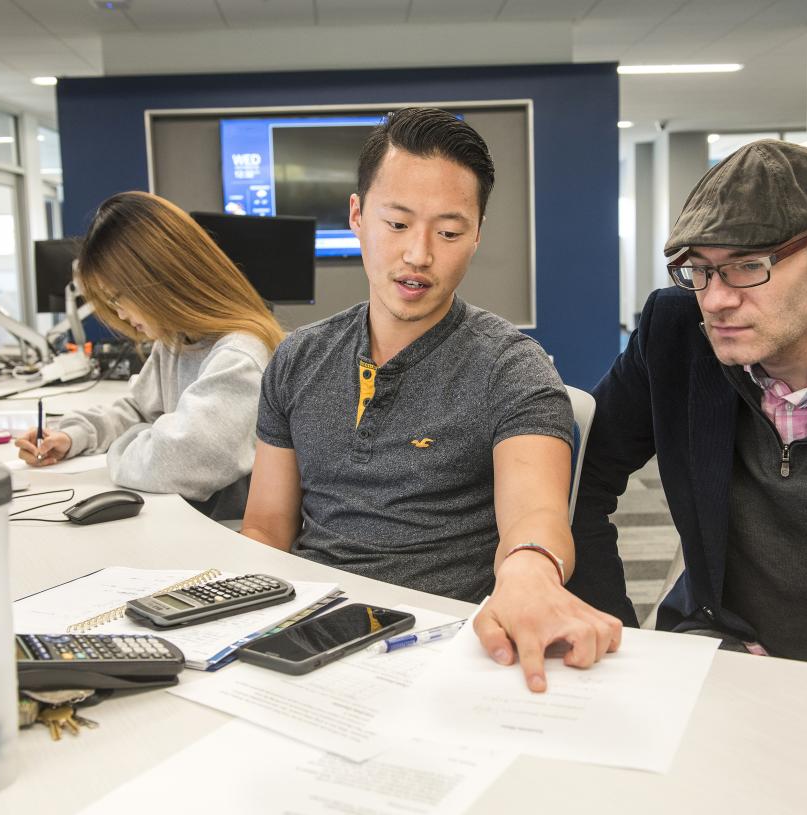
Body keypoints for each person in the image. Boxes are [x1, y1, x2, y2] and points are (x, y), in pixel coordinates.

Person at [241, 107, 623, 692]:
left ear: (476, 236)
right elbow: (267, 528)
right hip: (307, 643)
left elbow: (536, 520)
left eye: (447, 232)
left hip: (440, 654)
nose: (418, 255)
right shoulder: (297, 360)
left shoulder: (511, 368)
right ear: (357, 216)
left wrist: (531, 573)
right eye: (397, 224)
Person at [573, 139, 807, 680]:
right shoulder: (674, 335)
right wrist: (617, 637)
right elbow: (582, 479)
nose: (717, 299)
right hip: (727, 650)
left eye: (748, 267)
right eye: (699, 269)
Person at [15, 191, 284, 521]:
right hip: (183, 520)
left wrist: (132, 442)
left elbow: (176, 462)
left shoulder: (241, 355)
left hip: (226, 535)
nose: (120, 314)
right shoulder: (176, 341)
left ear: (157, 282)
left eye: (119, 298)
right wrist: (73, 436)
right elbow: (138, 409)